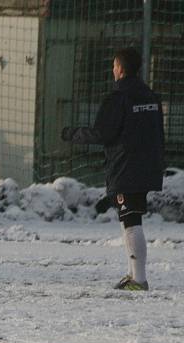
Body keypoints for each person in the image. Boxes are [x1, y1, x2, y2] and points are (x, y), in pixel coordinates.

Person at [61, 47, 164, 291]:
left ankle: (138, 279)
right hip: (147, 164)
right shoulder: (150, 96)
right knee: (130, 217)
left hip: (126, 165)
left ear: (119, 68)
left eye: (114, 65)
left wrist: (71, 134)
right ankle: (132, 274)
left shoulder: (118, 97)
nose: (113, 69)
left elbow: (103, 133)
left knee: (130, 219)